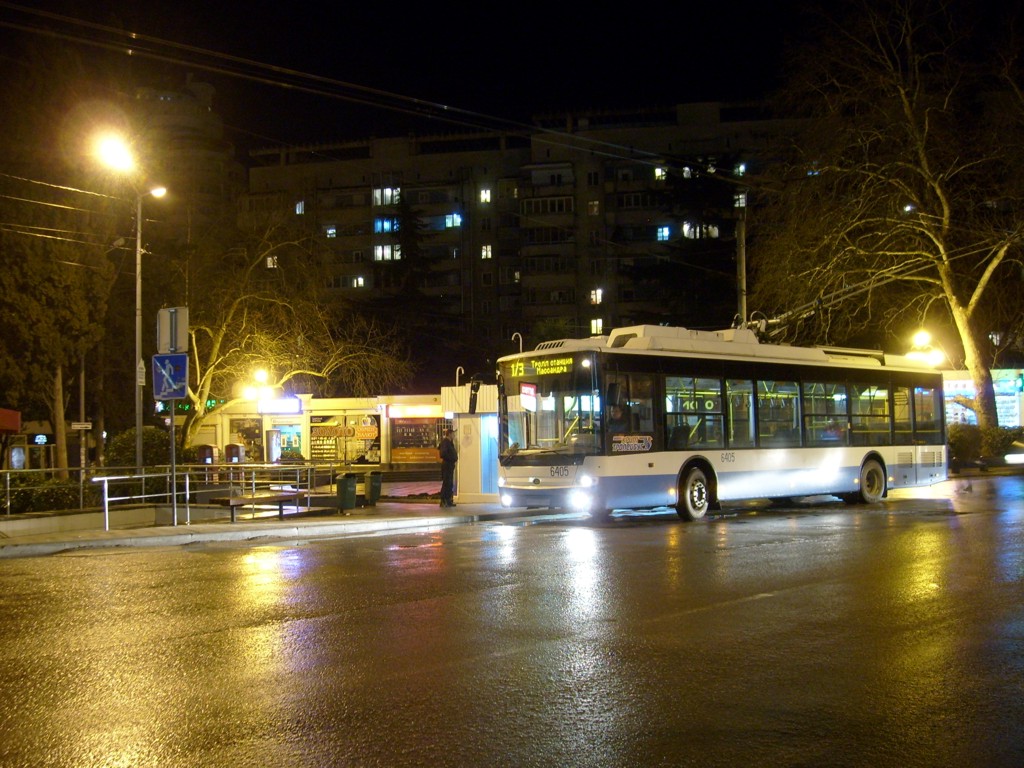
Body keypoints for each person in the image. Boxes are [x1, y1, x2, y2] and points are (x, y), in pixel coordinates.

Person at [438, 427, 458, 507]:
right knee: (446, 483)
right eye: (453, 434)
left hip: (450, 465)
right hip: (447, 465)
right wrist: (451, 458)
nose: (454, 436)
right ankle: (443, 500)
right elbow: (443, 454)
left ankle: (448, 500)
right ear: (449, 434)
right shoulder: (445, 443)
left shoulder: (450, 442)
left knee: (450, 483)